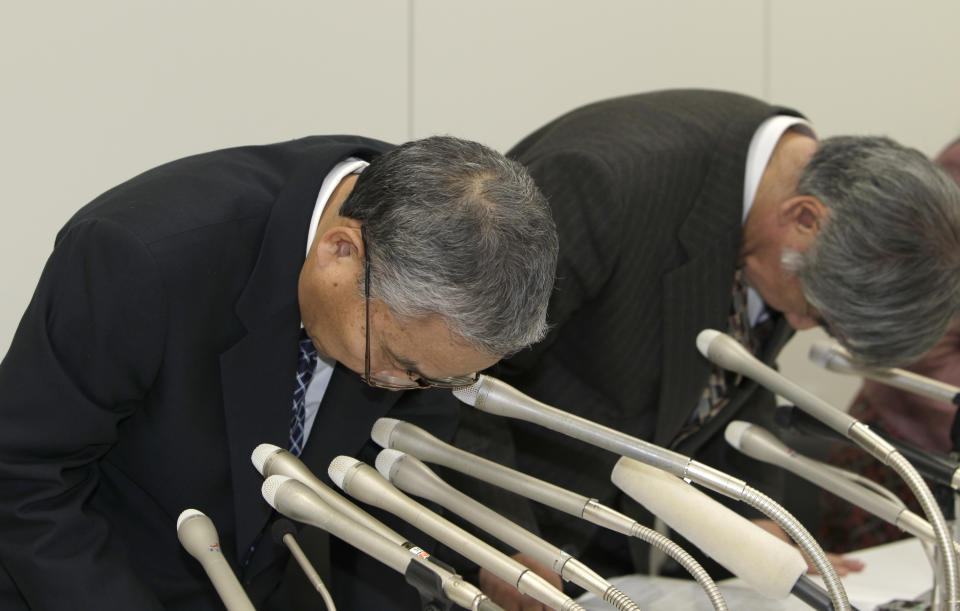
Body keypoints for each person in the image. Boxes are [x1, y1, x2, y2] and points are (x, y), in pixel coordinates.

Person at [0, 135, 559, 610]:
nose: (399, 388)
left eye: (434, 380)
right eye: (397, 362)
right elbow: (22, 474)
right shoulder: (141, 257)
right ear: (341, 251)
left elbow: (386, 502)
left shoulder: (428, 258)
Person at [493, 89, 960, 582]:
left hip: (604, 547)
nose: (798, 325)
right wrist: (499, 540)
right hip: (491, 522)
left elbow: (736, 371)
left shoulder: (790, 209)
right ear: (804, 217)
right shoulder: (601, 180)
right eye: (816, 311)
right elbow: (458, 374)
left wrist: (755, 526)